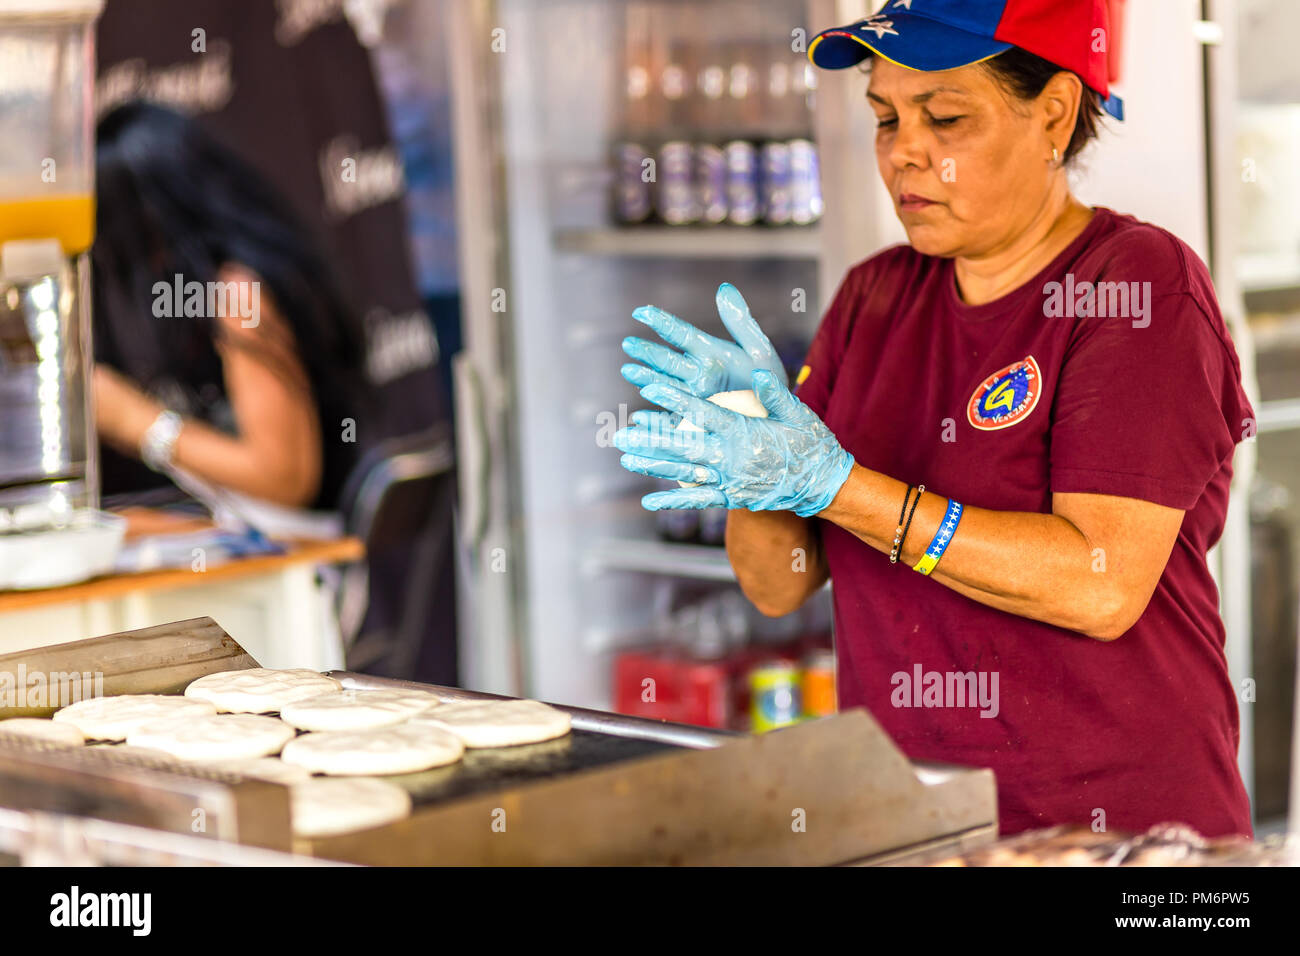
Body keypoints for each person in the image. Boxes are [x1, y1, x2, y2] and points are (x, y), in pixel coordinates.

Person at [614, 0, 1254, 838]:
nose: (903, 151)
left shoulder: (1136, 287)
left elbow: (1099, 585)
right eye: (885, 117)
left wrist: (838, 486)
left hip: (1119, 835)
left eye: (945, 117)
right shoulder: (874, 297)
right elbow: (778, 585)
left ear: (1055, 114)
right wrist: (749, 447)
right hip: (913, 823)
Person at [92, 101, 368, 511]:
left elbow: (285, 478)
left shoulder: (238, 297)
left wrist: (136, 422)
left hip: (302, 554)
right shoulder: (207, 293)